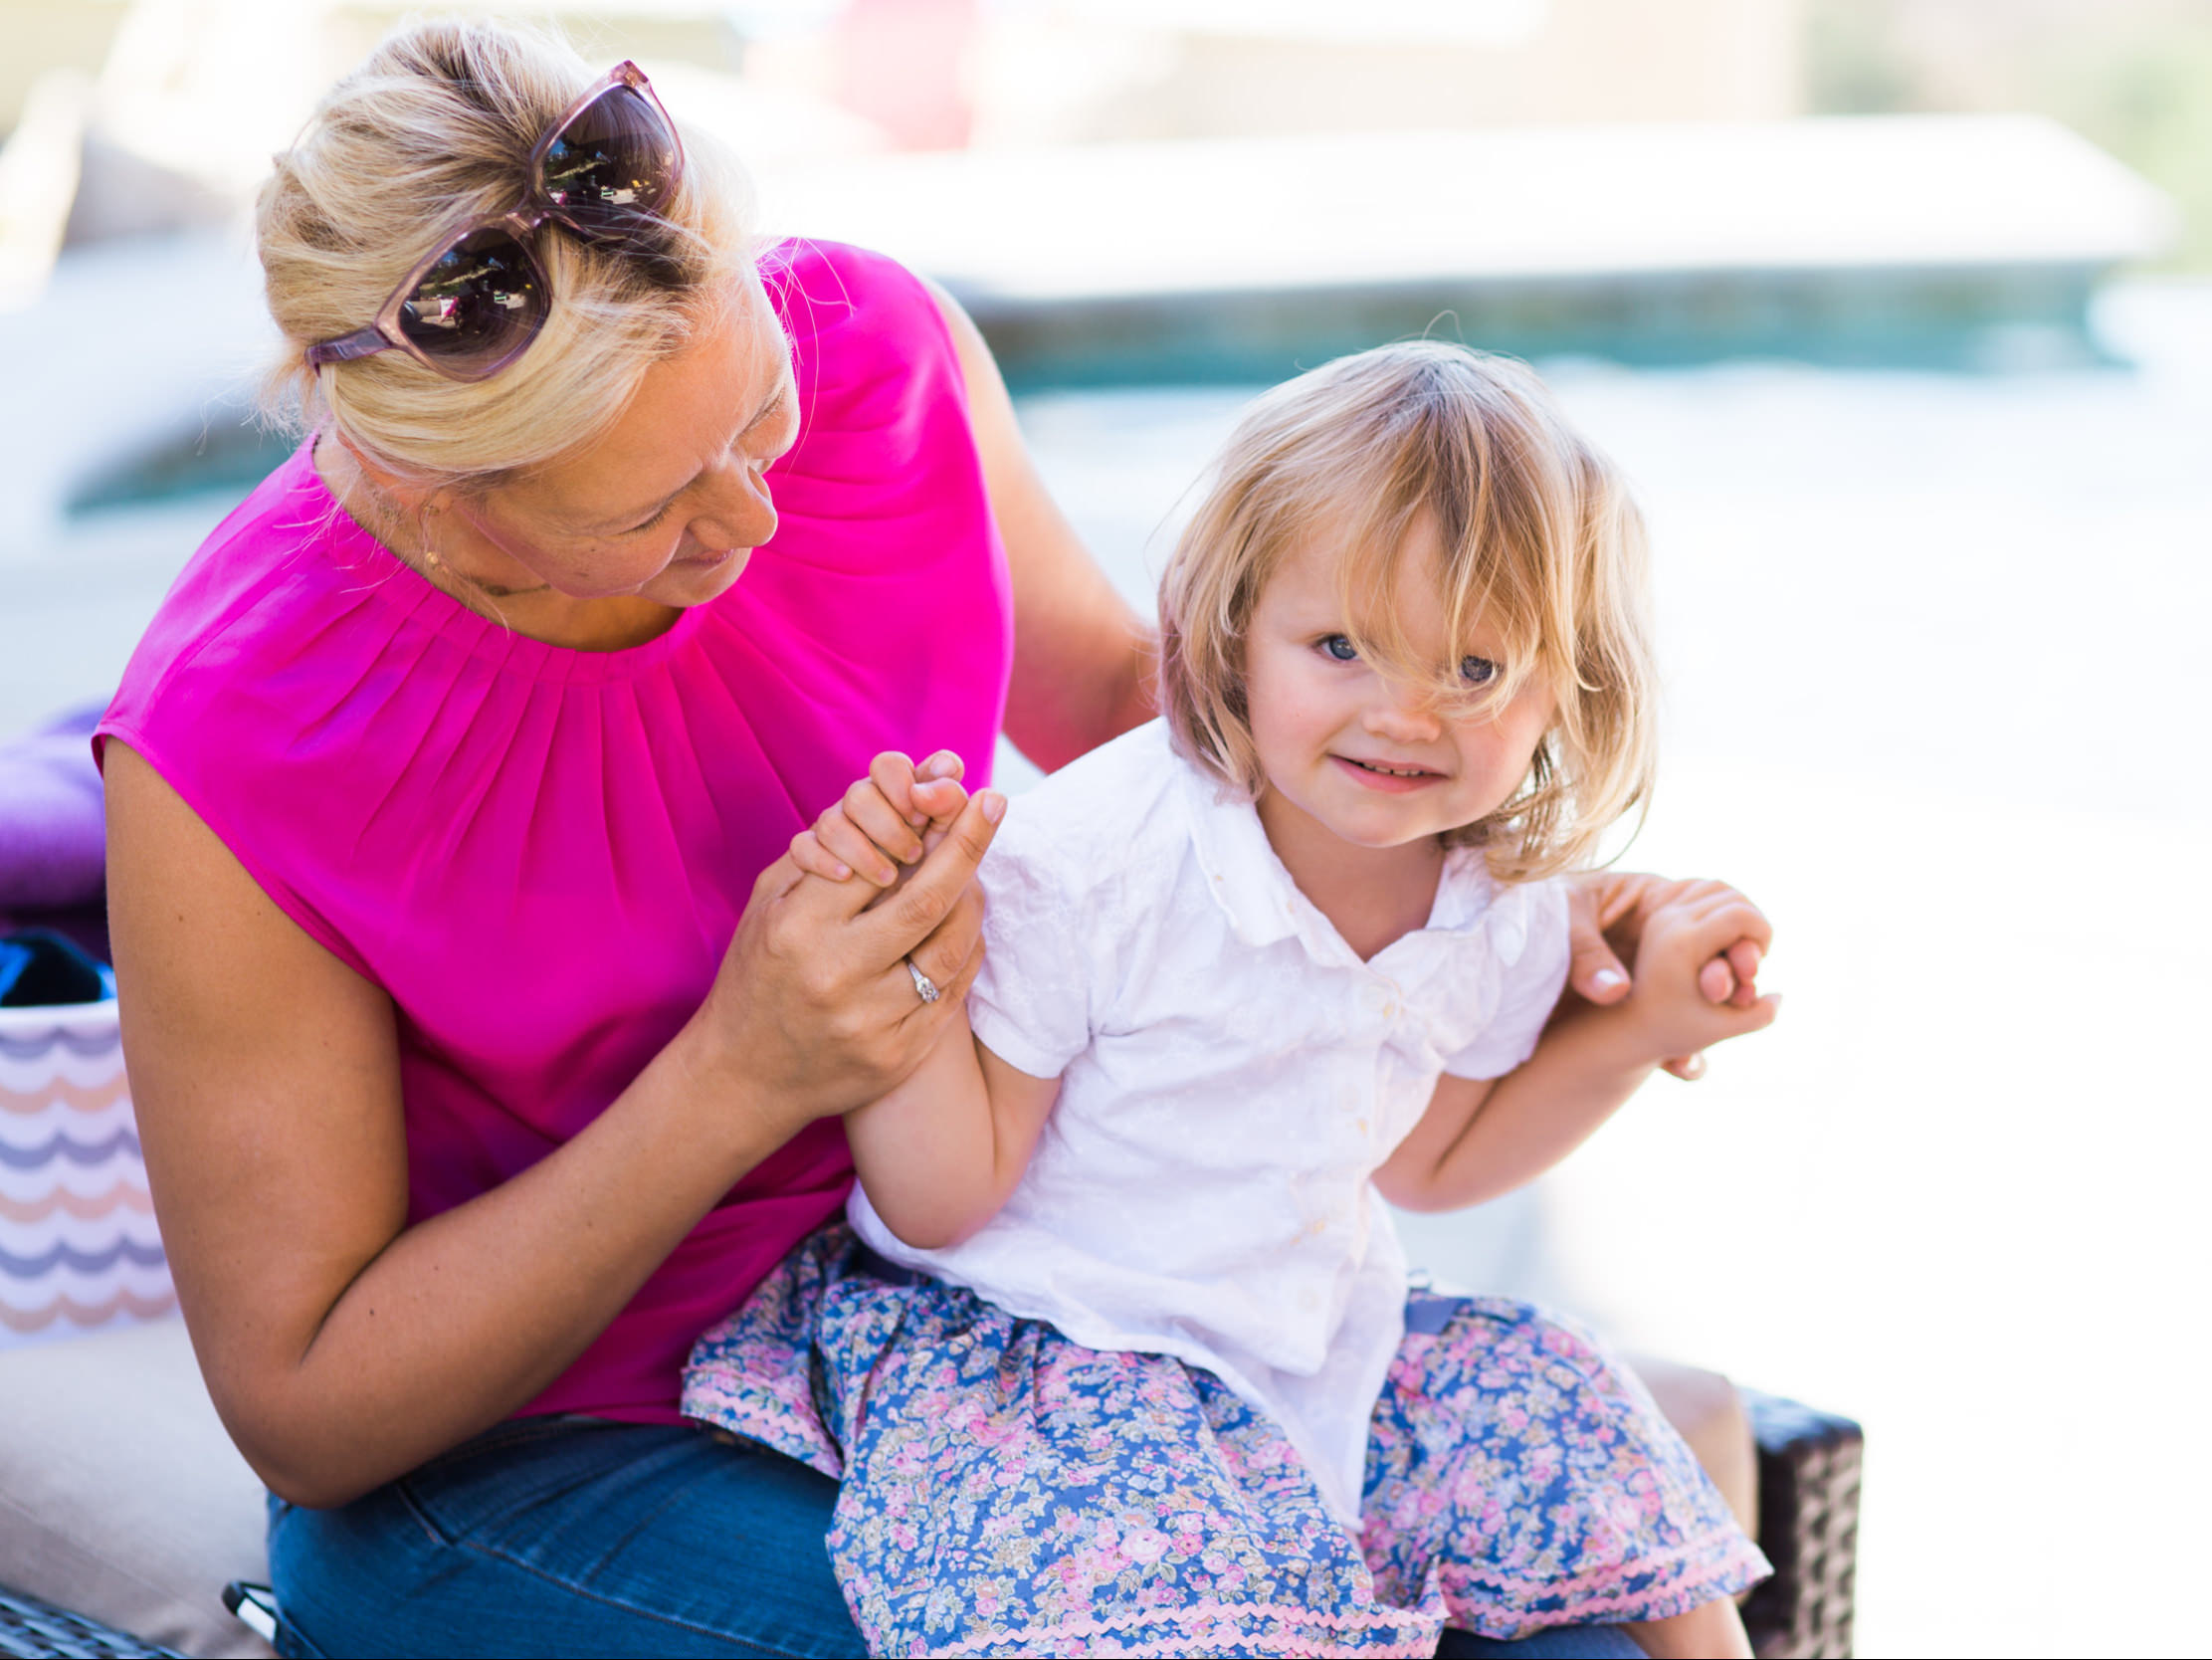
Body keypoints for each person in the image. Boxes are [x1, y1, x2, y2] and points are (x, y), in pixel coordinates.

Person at [97, 19, 1736, 1659]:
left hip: (1005, 1313)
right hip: (550, 1463)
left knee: (1588, 1611)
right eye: (654, 513)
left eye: (761, 420)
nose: (754, 516)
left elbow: (1158, 723)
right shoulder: (234, 739)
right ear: (430, 489)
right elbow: (310, 1410)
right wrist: (741, 1070)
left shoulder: (877, 356)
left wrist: (1528, 888)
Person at [685, 343, 1777, 1658]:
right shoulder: (1101, 861)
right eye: (1340, 647)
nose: (1407, 714)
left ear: (1562, 686)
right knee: (1172, 1585)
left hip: (1310, 1339)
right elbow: (943, 1197)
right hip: (1056, 1350)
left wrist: (1641, 1033)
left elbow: (1433, 1158)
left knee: (1583, 1417)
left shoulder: (1498, 895)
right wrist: (911, 970)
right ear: (1233, 628)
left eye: (1477, 671)